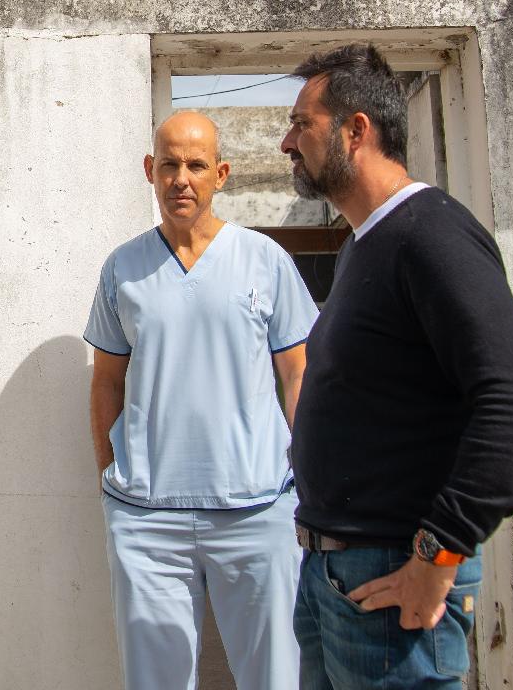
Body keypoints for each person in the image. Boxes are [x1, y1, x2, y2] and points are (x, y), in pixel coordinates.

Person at [280, 44, 513, 690]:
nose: (285, 142)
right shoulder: (364, 245)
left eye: (301, 123)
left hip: (390, 589)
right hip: (334, 580)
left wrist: (439, 551)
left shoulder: (428, 235)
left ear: (356, 129)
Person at [86, 110, 316, 690]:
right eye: (169, 164)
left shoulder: (266, 260)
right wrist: (110, 473)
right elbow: (106, 380)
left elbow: (298, 374)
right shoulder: (124, 268)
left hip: (257, 509)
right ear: (149, 170)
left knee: (276, 678)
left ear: (222, 173)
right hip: (147, 518)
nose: (181, 178)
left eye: (195, 165)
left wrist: (306, 477)